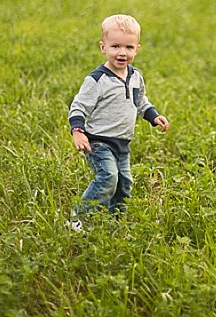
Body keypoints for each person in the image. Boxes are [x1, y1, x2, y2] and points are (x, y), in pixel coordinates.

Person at [67, 14, 169, 231]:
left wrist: (154, 116)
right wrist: (78, 130)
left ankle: (116, 222)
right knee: (108, 177)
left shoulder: (135, 76)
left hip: (122, 143)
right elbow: (78, 106)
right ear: (103, 47)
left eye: (129, 47)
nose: (122, 53)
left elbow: (141, 101)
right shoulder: (97, 80)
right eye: (115, 46)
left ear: (137, 49)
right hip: (99, 141)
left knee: (124, 184)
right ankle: (80, 217)